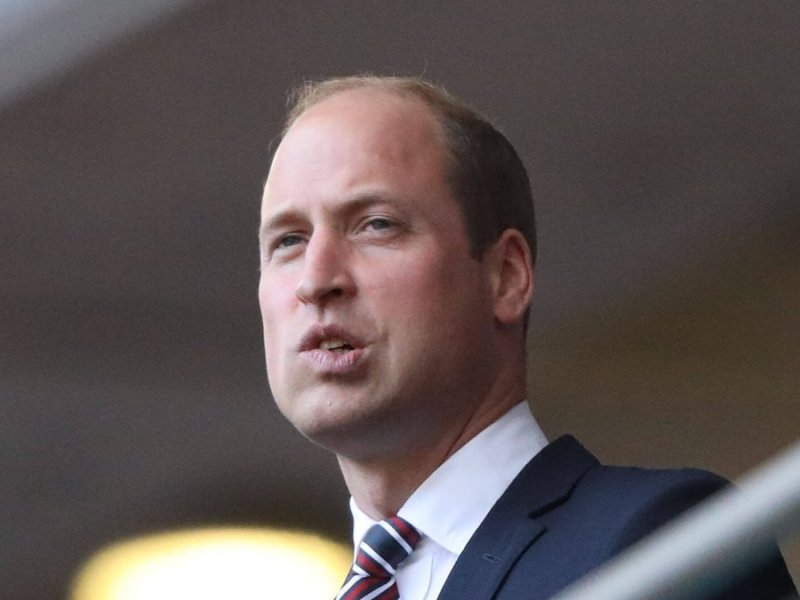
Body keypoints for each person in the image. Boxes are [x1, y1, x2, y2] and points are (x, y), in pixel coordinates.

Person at [257, 75, 796, 599]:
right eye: (288, 240)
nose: (316, 279)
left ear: (507, 277)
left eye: (376, 224)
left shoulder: (655, 540)